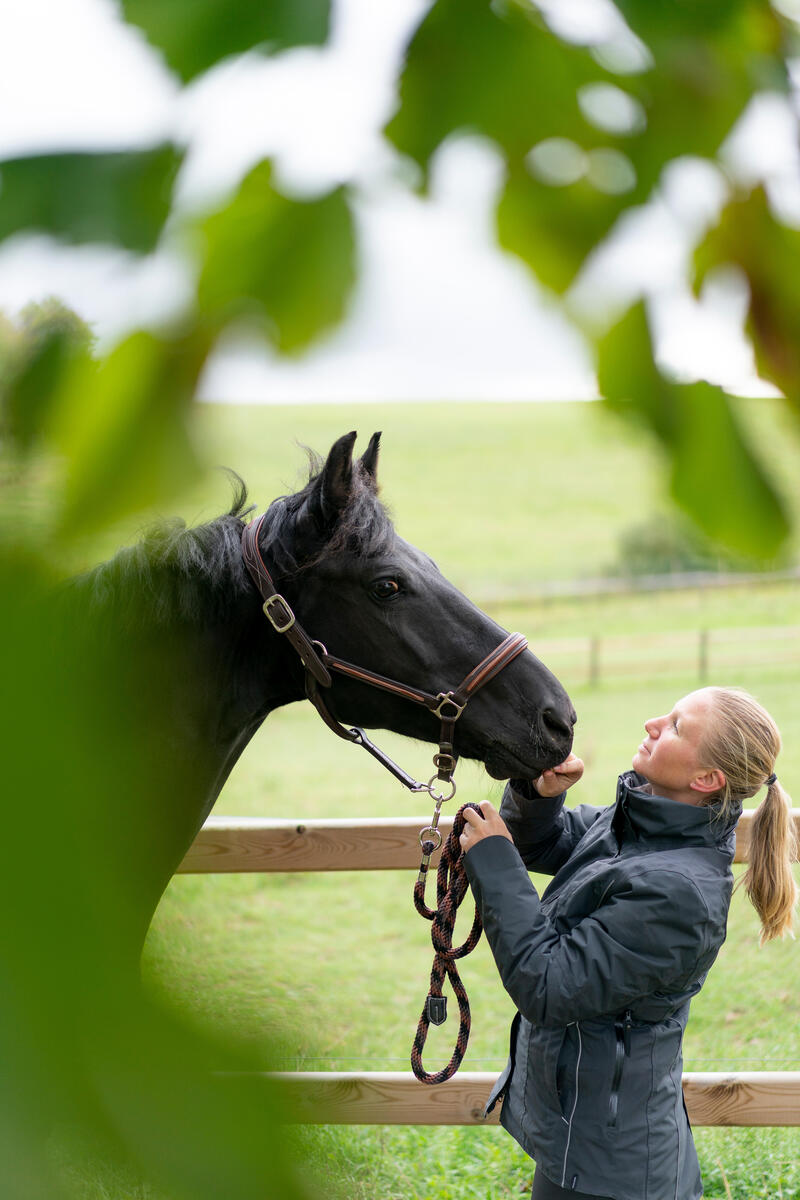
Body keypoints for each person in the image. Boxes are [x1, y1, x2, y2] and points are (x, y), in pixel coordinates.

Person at [459, 686, 797, 1200]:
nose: (652, 722)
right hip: (580, 1140)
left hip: (614, 1170)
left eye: (677, 726)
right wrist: (539, 797)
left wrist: (494, 861)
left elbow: (547, 986)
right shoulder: (637, 824)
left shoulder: (679, 894)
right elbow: (545, 843)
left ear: (705, 779)